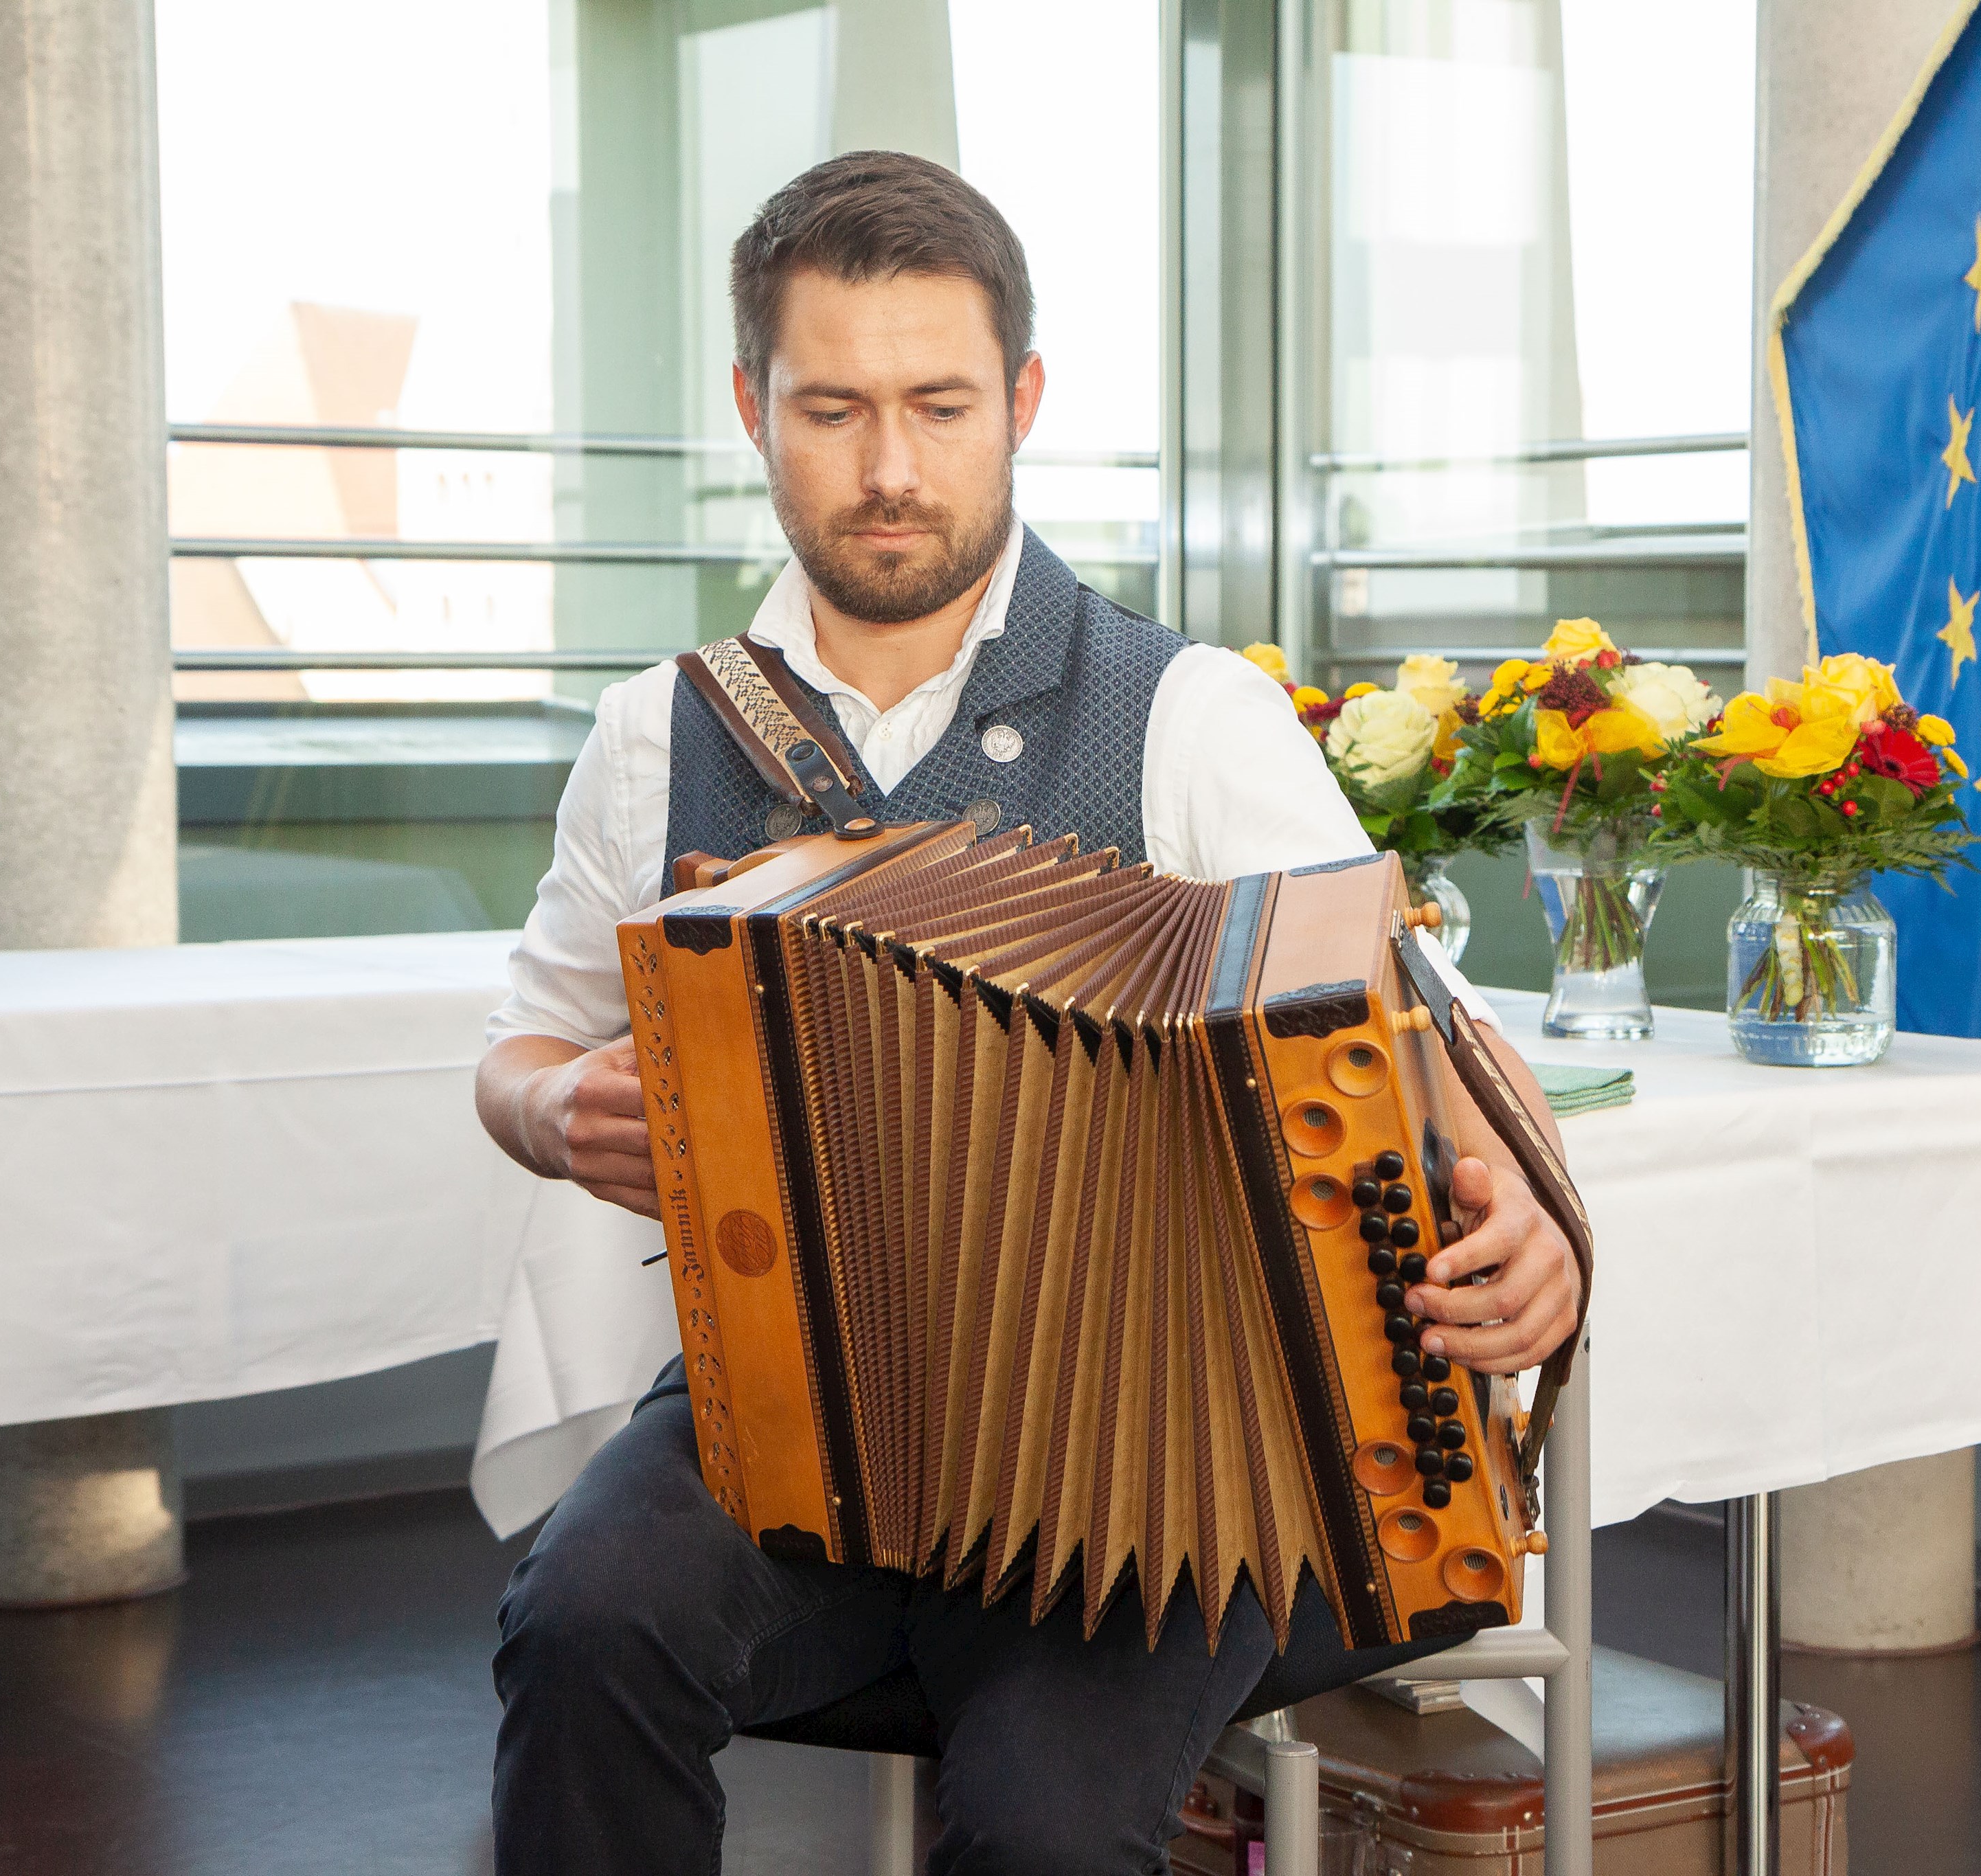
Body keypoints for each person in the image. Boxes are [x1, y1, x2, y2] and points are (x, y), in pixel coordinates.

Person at [473, 150, 1580, 1876]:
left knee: (1054, 1828)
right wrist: (553, 1113)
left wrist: (1527, 1202)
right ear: (750, 405)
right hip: (786, 1413)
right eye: (832, 408)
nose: (890, 468)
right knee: (579, 1625)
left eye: (939, 403)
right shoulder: (655, 734)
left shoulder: (1189, 718)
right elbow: (522, 1049)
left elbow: (1422, 1033)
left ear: (1025, 401)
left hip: (1151, 1455)